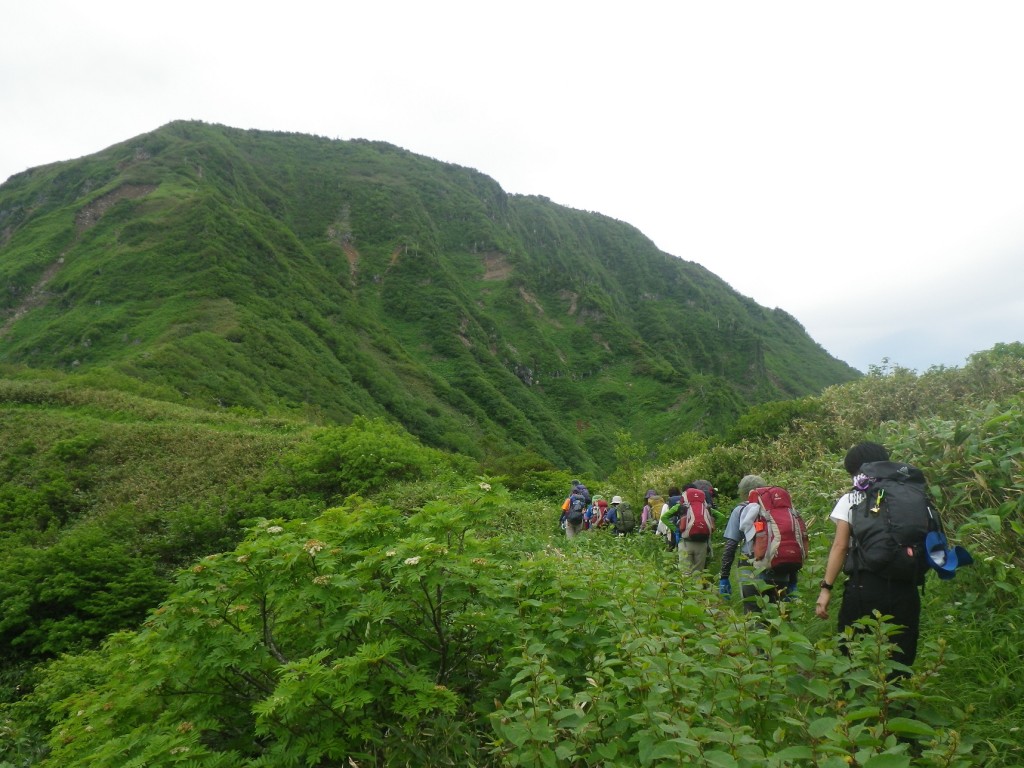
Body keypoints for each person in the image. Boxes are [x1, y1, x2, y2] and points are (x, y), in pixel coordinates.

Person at [815, 442, 922, 669]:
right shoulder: (911, 494)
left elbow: (840, 546)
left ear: (855, 471)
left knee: (852, 651)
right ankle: (894, 700)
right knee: (900, 656)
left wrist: (826, 588)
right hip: (906, 586)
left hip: (865, 586)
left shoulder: (852, 498)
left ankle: (856, 698)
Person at [718, 474, 797, 612]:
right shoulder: (783, 510)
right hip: (782, 571)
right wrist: (793, 579)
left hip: (751, 572)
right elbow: (792, 543)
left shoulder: (741, 510)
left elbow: (731, 546)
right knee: (779, 616)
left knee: (754, 616)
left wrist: (724, 577)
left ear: (744, 492)